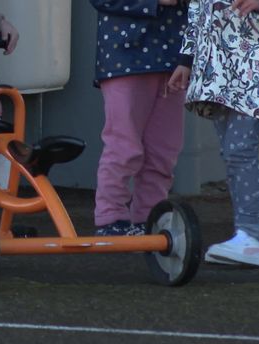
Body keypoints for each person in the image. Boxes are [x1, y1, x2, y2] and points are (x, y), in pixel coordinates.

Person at [168, 0, 259, 267]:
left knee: (240, 149)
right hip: (218, 67)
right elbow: (197, 11)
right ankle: (246, 235)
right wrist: (187, 59)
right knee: (231, 151)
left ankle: (252, 236)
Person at [89, 0, 189, 236]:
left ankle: (150, 215)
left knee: (163, 149)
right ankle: (110, 217)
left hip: (172, 55)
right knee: (124, 144)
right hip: (124, 56)